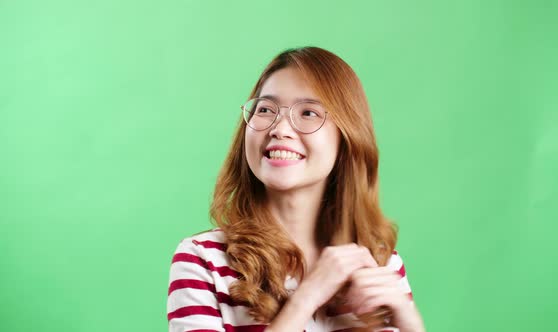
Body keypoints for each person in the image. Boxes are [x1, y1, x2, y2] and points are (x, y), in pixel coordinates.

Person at [167, 46, 426, 332]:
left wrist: (409, 321)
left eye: (309, 113)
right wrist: (307, 297)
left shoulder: (381, 264)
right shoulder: (204, 260)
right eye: (265, 109)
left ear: (347, 139)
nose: (280, 128)